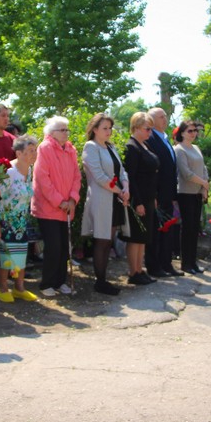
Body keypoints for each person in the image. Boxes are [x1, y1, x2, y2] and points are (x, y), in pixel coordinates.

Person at [31, 116, 81, 297]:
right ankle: (47, 284)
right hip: (49, 208)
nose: (66, 133)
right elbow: (42, 179)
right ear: (52, 133)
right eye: (63, 130)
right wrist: (60, 201)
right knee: (53, 246)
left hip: (67, 207)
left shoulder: (70, 149)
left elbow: (77, 176)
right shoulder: (44, 149)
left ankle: (61, 281)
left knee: (64, 246)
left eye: (67, 129)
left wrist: (73, 199)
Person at [81, 113, 130, 296]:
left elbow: (122, 171)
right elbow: (99, 176)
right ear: (94, 130)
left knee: (108, 240)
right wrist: (120, 191)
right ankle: (100, 281)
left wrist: (125, 187)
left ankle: (104, 279)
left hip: (115, 199)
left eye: (110, 128)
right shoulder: (91, 147)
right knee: (102, 241)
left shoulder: (111, 147)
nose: (109, 131)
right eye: (105, 128)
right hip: (102, 200)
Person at [0, 135, 40, 302]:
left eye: (35, 150)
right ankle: (3, 288)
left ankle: (19, 287)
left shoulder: (29, 171)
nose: (34, 154)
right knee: (6, 255)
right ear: (19, 153)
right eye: (30, 151)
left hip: (21, 221)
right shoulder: (9, 172)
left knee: (20, 254)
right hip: (5, 221)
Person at [122, 112, 159, 285]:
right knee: (136, 236)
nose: (150, 133)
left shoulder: (145, 146)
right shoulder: (132, 147)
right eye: (147, 129)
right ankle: (133, 272)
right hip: (139, 199)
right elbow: (131, 177)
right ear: (136, 127)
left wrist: (153, 198)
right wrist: (138, 202)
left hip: (149, 197)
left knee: (144, 237)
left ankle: (140, 269)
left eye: (151, 129)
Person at [144, 108, 182, 277]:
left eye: (165, 116)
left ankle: (167, 263)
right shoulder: (150, 139)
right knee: (157, 231)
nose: (165, 119)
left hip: (169, 193)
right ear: (151, 121)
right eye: (160, 117)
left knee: (168, 229)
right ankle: (155, 265)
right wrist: (155, 194)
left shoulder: (165, 139)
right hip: (158, 194)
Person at [174, 121, 209, 275]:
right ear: (182, 133)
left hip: (197, 192)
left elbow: (203, 168)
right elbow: (186, 173)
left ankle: (193, 262)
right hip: (185, 193)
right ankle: (185, 263)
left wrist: (204, 187)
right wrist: (203, 182)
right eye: (190, 131)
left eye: (195, 130)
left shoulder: (196, 148)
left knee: (195, 228)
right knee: (187, 228)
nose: (193, 133)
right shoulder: (179, 149)